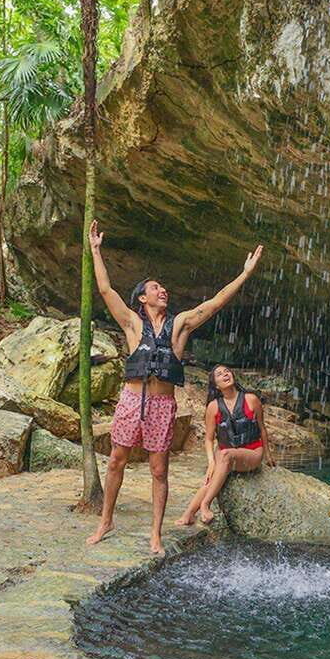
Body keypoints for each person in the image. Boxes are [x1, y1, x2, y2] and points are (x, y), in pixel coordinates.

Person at [85, 219, 264, 554]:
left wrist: (245, 273)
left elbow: (215, 303)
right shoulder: (132, 323)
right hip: (130, 401)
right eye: (155, 288)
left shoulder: (179, 326)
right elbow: (106, 290)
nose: (162, 290)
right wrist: (95, 250)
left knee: (158, 470)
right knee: (115, 462)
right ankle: (105, 521)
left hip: (161, 407)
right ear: (142, 297)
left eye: (163, 288)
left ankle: (155, 534)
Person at [176, 364, 274, 526]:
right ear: (216, 385)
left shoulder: (251, 399)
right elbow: (208, 439)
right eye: (219, 374)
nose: (225, 374)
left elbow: (262, 428)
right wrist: (211, 463)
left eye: (227, 371)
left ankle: (204, 504)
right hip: (224, 452)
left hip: (252, 452)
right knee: (215, 470)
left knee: (225, 455)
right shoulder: (213, 407)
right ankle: (188, 514)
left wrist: (268, 455)